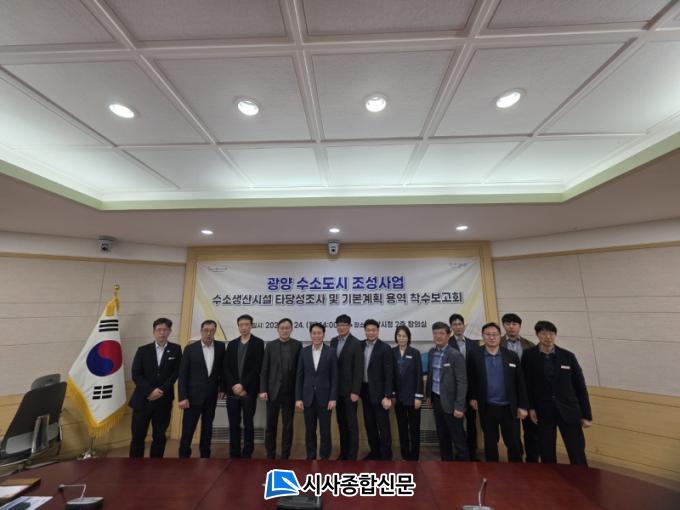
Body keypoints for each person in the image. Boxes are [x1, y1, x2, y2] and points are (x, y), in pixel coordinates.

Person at [522, 320, 593, 466]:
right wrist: (531, 407)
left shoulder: (568, 356)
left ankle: (582, 476)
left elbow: (580, 386)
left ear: (555, 335)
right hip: (543, 410)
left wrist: (586, 415)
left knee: (576, 450)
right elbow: (527, 384)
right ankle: (550, 478)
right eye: (544, 333)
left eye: (551, 333)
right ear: (537, 335)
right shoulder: (529, 356)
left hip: (569, 409)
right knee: (546, 450)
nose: (548, 337)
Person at [468, 322, 528, 462]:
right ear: (483, 336)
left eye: (495, 334)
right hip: (487, 406)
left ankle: (517, 469)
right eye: (488, 334)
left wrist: (523, 406)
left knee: (513, 441)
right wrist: (472, 397)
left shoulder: (511, 355)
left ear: (500, 336)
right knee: (490, 442)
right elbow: (471, 378)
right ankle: (492, 470)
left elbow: (520, 382)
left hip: (509, 407)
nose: (491, 337)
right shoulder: (475, 355)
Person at [128, 317, 182, 458]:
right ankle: (134, 465)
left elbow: (176, 373)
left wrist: (161, 390)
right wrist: (150, 391)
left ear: (170, 331)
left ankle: (155, 465)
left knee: (159, 436)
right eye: (159, 330)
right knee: (138, 436)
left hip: (163, 401)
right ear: (154, 332)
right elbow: (136, 374)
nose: (162, 333)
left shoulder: (176, 350)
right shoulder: (143, 350)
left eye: (165, 330)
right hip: (143, 400)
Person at [178, 320, 225, 458]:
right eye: (206, 330)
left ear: (215, 331)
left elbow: (222, 370)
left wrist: (222, 388)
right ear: (201, 331)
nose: (209, 333)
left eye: (212, 330)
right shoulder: (190, 349)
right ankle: (183, 456)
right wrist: (182, 397)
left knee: (207, 427)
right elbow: (183, 375)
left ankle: (205, 455)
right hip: (192, 397)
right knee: (188, 429)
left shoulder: (221, 347)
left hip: (211, 396)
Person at [259, 318, 302, 459]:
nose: (285, 330)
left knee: (288, 426)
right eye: (282, 328)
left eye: (287, 328)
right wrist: (263, 389)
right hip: (273, 392)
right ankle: (270, 454)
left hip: (290, 392)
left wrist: (298, 394)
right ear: (277, 329)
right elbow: (264, 369)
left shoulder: (297, 345)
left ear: (291, 329)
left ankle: (285, 455)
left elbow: (299, 371)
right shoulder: (270, 346)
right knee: (271, 425)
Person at [223, 314, 264, 458]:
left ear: (251, 325)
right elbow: (226, 367)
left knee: (248, 423)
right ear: (238, 327)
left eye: (247, 324)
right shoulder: (232, 344)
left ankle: (247, 452)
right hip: (232, 391)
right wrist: (234, 385)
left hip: (248, 391)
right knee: (233, 423)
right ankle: (234, 452)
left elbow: (257, 367)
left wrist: (243, 385)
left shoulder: (258, 343)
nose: (244, 327)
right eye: (241, 325)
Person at [427, 321, 469, 461]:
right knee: (442, 435)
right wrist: (429, 396)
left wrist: (459, 406)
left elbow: (462, 382)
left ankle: (463, 465)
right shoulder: (432, 352)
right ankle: (446, 463)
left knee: (458, 437)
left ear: (448, 335)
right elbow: (432, 376)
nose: (438, 336)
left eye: (441, 333)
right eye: (435, 333)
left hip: (452, 403)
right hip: (437, 400)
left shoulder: (455, 355)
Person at [295, 323, 338, 460]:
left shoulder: (331, 352)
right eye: (314, 333)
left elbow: (334, 377)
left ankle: (325, 457)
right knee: (310, 431)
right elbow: (299, 376)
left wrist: (333, 398)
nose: (316, 336)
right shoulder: (304, 352)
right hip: (307, 398)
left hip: (325, 399)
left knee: (325, 431)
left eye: (319, 333)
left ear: (323, 334)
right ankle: (311, 456)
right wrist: (298, 398)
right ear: (310, 334)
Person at [501, 312, 539, 462]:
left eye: (514, 324)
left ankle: (532, 459)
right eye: (508, 324)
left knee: (531, 429)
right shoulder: (498, 343)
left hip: (527, 392)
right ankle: (516, 459)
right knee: (512, 431)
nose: (511, 327)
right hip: (507, 393)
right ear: (504, 326)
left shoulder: (529, 345)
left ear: (519, 326)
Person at [329, 314, 363, 460]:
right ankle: (343, 452)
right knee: (341, 423)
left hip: (350, 392)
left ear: (349, 326)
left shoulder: (356, 343)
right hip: (336, 391)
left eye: (344, 325)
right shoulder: (333, 341)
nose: (341, 327)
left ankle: (352, 455)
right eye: (339, 325)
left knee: (351, 424)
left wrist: (355, 391)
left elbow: (359, 369)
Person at [448, 313, 480, 460]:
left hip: (471, 391)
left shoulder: (473, 344)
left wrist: (475, 394)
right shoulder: (447, 344)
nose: (458, 327)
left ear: (464, 326)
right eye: (455, 324)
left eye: (460, 324)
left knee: (472, 423)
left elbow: (476, 370)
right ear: (451, 327)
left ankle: (472, 452)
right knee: (457, 424)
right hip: (455, 392)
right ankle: (461, 452)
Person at [360, 318, 394, 460]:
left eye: (373, 330)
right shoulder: (360, 345)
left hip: (380, 394)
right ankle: (374, 452)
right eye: (368, 330)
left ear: (378, 331)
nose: (371, 332)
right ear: (365, 331)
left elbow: (389, 374)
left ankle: (386, 455)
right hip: (364, 391)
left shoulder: (385, 348)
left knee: (383, 425)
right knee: (370, 424)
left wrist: (388, 395)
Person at [392, 325, 423, 461]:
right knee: (402, 427)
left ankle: (414, 456)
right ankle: (405, 454)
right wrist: (392, 394)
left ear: (408, 338)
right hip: (398, 398)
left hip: (413, 398)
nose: (401, 338)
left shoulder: (415, 353)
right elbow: (390, 376)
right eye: (399, 335)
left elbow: (419, 375)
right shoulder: (391, 352)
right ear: (396, 337)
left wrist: (418, 397)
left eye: (404, 336)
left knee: (414, 428)